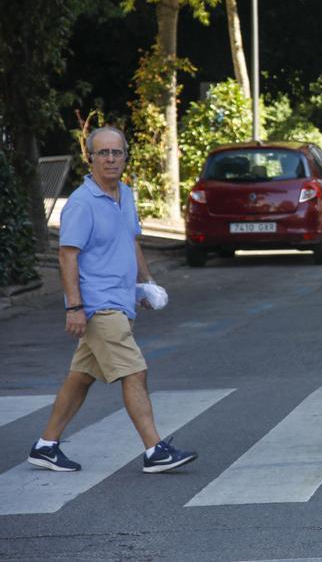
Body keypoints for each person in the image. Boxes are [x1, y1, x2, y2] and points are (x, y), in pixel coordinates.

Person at [27, 127, 197, 474]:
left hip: (122, 301)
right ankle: (155, 449)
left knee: (81, 377)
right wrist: (74, 307)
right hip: (99, 306)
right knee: (135, 371)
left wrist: (146, 284)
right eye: (102, 153)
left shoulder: (126, 195)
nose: (110, 159)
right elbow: (67, 256)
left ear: (125, 156)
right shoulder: (82, 203)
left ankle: (46, 445)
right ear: (90, 158)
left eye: (116, 152)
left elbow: (131, 240)